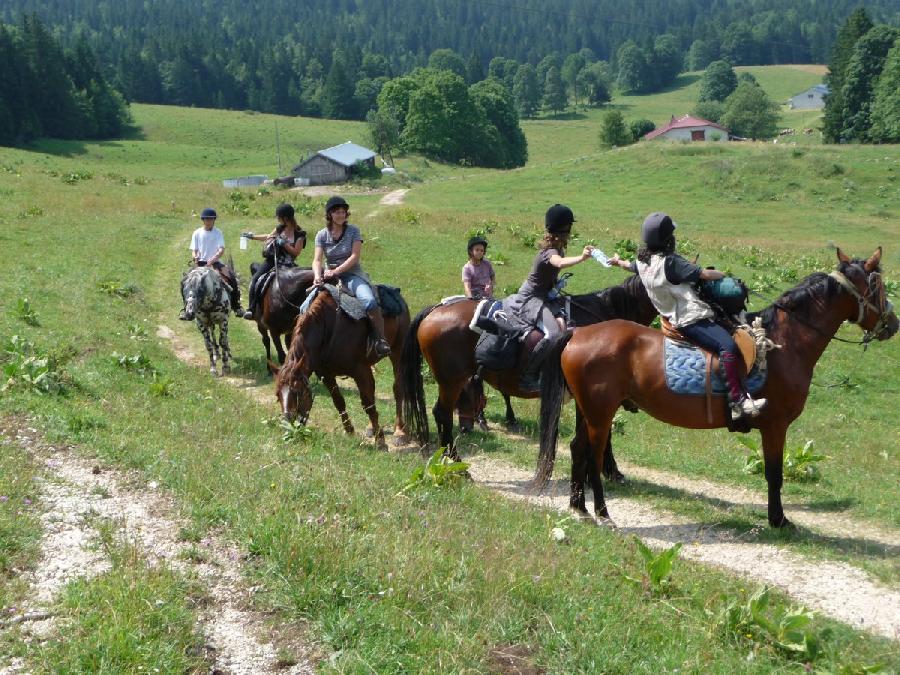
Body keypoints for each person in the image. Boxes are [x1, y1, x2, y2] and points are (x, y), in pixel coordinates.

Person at [609, 212, 766, 421]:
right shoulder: (671, 263)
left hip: (669, 317)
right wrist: (723, 275)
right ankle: (737, 400)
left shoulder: (644, 261)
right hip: (690, 319)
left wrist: (618, 262)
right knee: (727, 346)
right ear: (668, 239)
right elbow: (703, 274)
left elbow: (632, 267)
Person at [312, 195, 391, 358]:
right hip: (329, 276)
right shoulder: (321, 235)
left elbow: (354, 256)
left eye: (343, 212)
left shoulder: (354, 231)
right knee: (305, 305)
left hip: (352, 273)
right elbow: (317, 260)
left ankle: (380, 340)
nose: (341, 215)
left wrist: (336, 271)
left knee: (368, 301)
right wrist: (317, 275)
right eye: (337, 212)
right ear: (330, 214)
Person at [241, 203, 306, 320]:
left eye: (279, 217)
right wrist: (252, 237)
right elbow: (268, 237)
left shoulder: (300, 234)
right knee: (256, 279)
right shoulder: (280, 228)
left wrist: (284, 244)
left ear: (285, 218)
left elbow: (296, 252)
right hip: (272, 261)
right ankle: (251, 309)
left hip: (288, 264)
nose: (277, 219)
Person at [180, 207, 243, 320]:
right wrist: (195, 257)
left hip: (215, 263)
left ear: (214, 220)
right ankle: (186, 309)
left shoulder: (218, 233)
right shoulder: (197, 233)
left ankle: (236, 306)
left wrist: (213, 259)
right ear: (203, 220)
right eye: (207, 219)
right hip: (200, 263)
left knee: (232, 278)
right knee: (185, 282)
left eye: (211, 219)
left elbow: (221, 249)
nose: (209, 221)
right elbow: (194, 249)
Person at [462, 235, 496, 300]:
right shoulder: (467, 268)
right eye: (477, 250)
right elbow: (467, 287)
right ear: (471, 251)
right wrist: (470, 298)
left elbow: (493, 277)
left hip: (489, 298)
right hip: (475, 299)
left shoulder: (487, 264)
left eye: (482, 251)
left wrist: (491, 285)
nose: (480, 252)